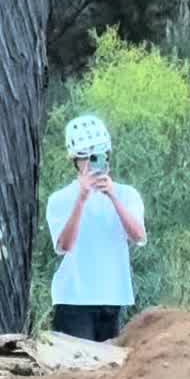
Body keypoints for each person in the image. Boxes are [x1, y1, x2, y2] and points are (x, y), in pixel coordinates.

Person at [46, 114, 146, 342]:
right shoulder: (60, 199)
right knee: (75, 360)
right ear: (76, 161)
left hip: (113, 296)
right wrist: (81, 199)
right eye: (86, 158)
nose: (92, 164)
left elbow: (139, 236)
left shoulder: (127, 194)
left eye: (98, 156)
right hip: (73, 299)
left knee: (109, 362)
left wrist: (112, 196)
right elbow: (63, 246)